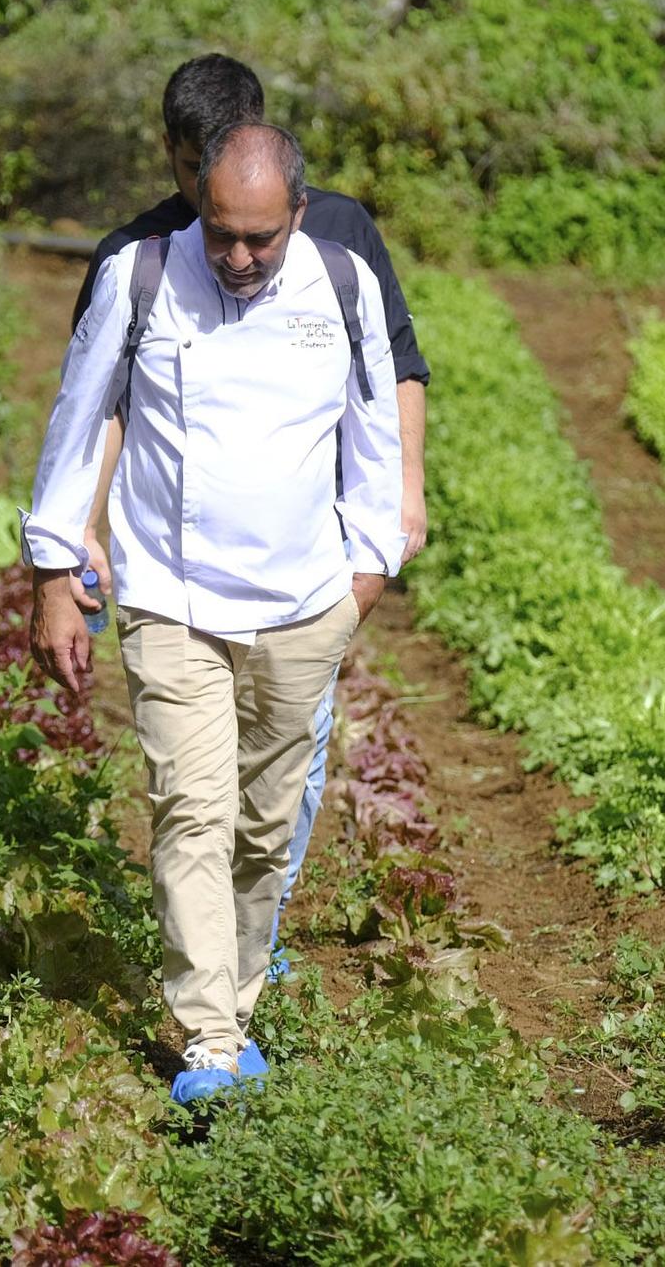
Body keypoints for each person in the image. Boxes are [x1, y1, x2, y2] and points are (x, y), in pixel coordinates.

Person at [22, 123, 406, 1103]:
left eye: (258, 239)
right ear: (196, 199)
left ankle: (232, 1004)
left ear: (298, 217)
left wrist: (362, 579)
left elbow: (372, 437)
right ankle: (207, 1041)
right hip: (170, 596)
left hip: (302, 605)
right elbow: (80, 416)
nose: (236, 257)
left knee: (265, 828)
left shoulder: (342, 283)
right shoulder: (139, 275)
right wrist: (53, 568)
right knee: (192, 808)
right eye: (220, 232)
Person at [70, 54, 433, 967]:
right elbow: (104, 402)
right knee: (196, 790)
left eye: (249, 221)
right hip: (180, 578)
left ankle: (251, 933)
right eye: (193, 176)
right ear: (173, 159)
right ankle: (215, 1002)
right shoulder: (140, 259)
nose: (222, 230)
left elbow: (392, 368)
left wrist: (399, 508)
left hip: (304, 563)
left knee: (288, 765)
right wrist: (85, 528)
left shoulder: (338, 240)